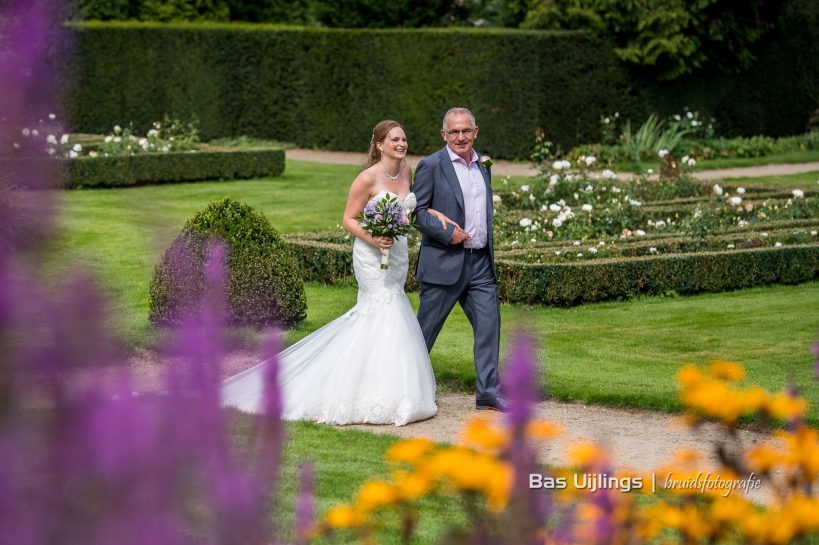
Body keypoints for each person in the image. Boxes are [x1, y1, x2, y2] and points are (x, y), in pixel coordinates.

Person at [222, 120, 437, 426]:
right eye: (395, 140)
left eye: (404, 139)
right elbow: (349, 219)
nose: (402, 144)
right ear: (379, 145)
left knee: (394, 305)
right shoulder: (366, 178)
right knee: (382, 307)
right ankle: (372, 391)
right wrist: (375, 237)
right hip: (371, 254)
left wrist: (397, 228)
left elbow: (406, 212)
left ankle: (389, 385)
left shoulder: (406, 172)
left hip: (397, 253)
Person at [413, 107, 505, 411]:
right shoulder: (431, 165)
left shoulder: (484, 164)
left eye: (466, 131)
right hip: (444, 262)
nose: (461, 137)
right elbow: (416, 212)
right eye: (454, 132)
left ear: (475, 132)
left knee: (489, 326)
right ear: (444, 135)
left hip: (480, 263)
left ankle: (488, 392)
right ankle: (407, 388)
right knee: (423, 333)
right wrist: (446, 233)